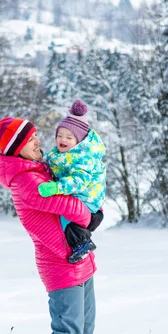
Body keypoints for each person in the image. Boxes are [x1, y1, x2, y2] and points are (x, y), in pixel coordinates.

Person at [0, 116, 103, 334]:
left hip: (79, 259)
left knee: (84, 332)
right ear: (18, 147)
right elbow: (68, 204)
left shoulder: (42, 168)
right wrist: (90, 216)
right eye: (31, 138)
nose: (39, 140)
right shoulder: (26, 180)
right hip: (61, 265)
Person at [38, 99, 106, 263]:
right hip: (79, 197)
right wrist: (38, 160)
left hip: (88, 198)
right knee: (62, 217)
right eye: (59, 135)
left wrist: (56, 187)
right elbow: (50, 159)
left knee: (65, 218)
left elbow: (78, 181)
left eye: (69, 137)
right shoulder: (60, 154)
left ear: (79, 142)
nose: (63, 140)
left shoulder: (84, 158)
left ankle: (82, 243)